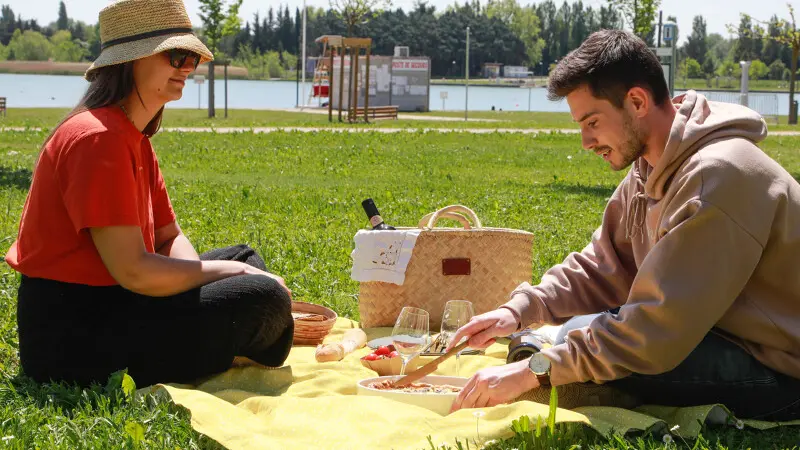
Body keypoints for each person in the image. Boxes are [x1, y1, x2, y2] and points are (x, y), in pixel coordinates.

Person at [447, 29, 800, 421]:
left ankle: (540, 356)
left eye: (592, 122)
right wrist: (521, 309)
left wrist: (536, 371)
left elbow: (653, 333)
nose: (585, 141)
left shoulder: (716, 177)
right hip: (719, 334)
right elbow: (603, 264)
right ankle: (541, 348)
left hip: (782, 371)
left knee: (594, 353)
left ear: (636, 101)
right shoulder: (651, 165)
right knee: (582, 336)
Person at [4, 0, 295, 388]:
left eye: (191, 58)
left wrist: (196, 284)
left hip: (114, 302)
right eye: (177, 56)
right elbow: (135, 270)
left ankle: (224, 337)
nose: (188, 69)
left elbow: (168, 237)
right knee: (260, 294)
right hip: (74, 341)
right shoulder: (98, 139)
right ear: (131, 61)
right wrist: (228, 275)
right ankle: (234, 341)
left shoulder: (131, 137)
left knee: (246, 257)